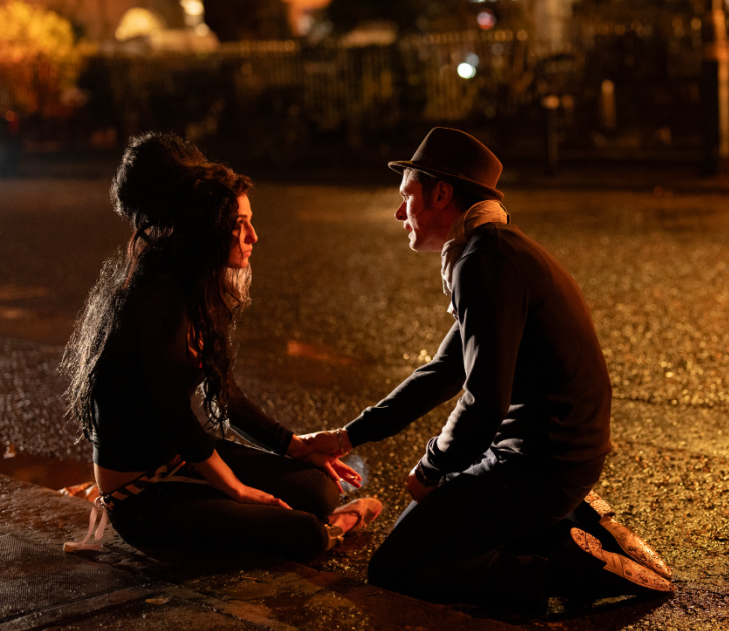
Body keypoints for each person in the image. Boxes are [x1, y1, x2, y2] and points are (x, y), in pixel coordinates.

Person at [300, 128, 671, 611]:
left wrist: (432, 468)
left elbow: (484, 401)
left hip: (540, 465)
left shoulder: (485, 261)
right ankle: (567, 524)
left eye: (405, 196)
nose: (397, 213)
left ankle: (565, 566)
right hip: (555, 456)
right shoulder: (489, 250)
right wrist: (350, 436)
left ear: (441, 193)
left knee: (394, 569)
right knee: (432, 537)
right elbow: (445, 371)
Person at [60, 132, 379, 559]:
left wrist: (295, 445)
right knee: (305, 533)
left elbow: (224, 391)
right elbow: (174, 417)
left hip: (180, 461)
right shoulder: (159, 300)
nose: (253, 236)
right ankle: (336, 528)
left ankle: (309, 515)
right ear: (204, 231)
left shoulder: (193, 286)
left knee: (318, 488)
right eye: (238, 226)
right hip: (142, 495)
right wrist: (236, 489)